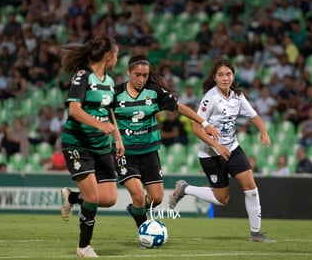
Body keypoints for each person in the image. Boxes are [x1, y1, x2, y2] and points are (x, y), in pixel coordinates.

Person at [61, 55, 219, 232]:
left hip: (149, 152)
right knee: (137, 195)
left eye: (145, 75)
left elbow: (179, 107)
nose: (141, 79)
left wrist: (205, 124)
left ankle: (76, 198)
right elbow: (100, 112)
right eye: (138, 75)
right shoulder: (116, 93)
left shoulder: (154, 92)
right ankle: (144, 233)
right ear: (128, 72)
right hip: (124, 154)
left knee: (157, 198)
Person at [168, 58, 276, 243]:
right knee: (222, 199)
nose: (225, 78)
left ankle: (255, 234)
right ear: (215, 78)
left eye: (228, 74)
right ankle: (185, 189)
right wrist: (217, 145)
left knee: (251, 189)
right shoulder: (210, 98)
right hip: (211, 155)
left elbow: (255, 116)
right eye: (221, 75)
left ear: (233, 76)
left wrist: (264, 132)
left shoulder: (237, 96)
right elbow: (196, 128)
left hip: (233, 149)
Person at [58, 36, 124, 258]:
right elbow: (74, 110)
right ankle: (83, 247)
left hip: (100, 145)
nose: (117, 59)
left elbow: (110, 111)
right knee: (94, 198)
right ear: (109, 56)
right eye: (116, 55)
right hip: (77, 143)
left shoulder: (110, 81)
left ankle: (72, 198)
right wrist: (99, 124)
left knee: (109, 199)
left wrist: (117, 137)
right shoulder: (83, 76)